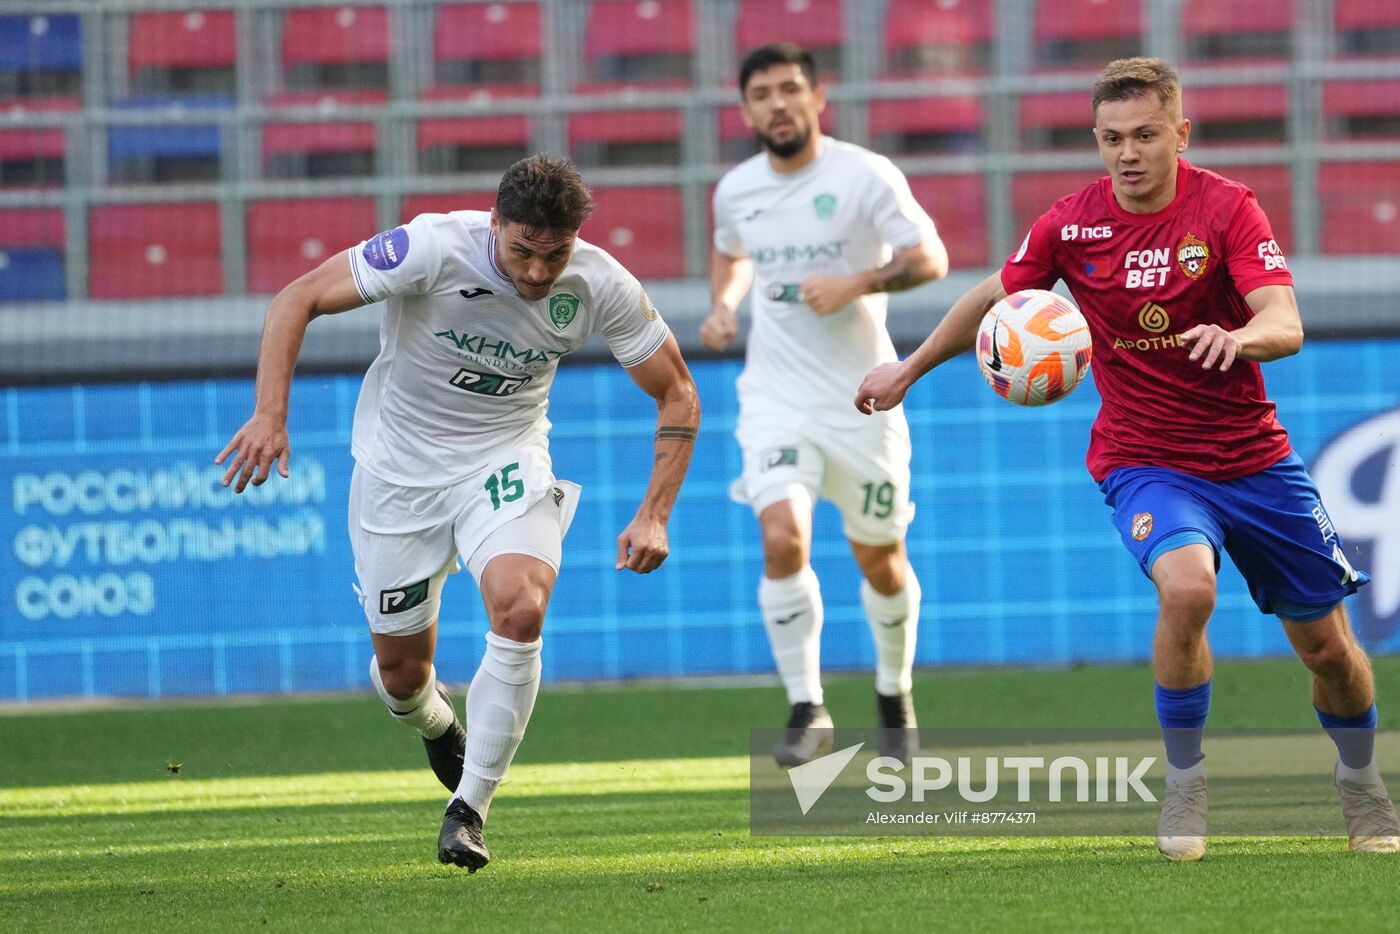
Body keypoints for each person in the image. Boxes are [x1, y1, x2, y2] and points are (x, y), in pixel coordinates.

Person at [856, 57, 1398, 859]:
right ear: (1097, 140)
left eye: (1146, 135)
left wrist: (1237, 335)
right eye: (1112, 139)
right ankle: (1186, 782)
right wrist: (907, 366)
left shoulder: (1226, 209)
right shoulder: (1072, 224)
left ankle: (1361, 782)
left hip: (1255, 461)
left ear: (1180, 133)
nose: (1128, 153)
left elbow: (1284, 320)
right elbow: (994, 293)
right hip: (1146, 461)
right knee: (1186, 588)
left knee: (1329, 649)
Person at [216, 155, 700, 872]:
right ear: (495, 224)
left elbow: (679, 394)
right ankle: (436, 721)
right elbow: (296, 299)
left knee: (521, 608)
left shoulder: (601, 284)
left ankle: (469, 809)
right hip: (398, 476)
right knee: (404, 675)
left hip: (502, 463)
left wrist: (655, 513)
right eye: (522, 251)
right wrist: (269, 415)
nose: (538, 273)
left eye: (555, 254)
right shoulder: (431, 247)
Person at [700, 42, 949, 767]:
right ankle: (808, 706)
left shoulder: (864, 174)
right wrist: (723, 304)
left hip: (862, 400)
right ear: (746, 110)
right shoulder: (736, 189)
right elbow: (730, 248)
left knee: (882, 560)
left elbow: (929, 257)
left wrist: (858, 281)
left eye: (788, 89)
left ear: (816, 98)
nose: (777, 104)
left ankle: (893, 692)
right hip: (775, 397)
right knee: (782, 538)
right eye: (762, 95)